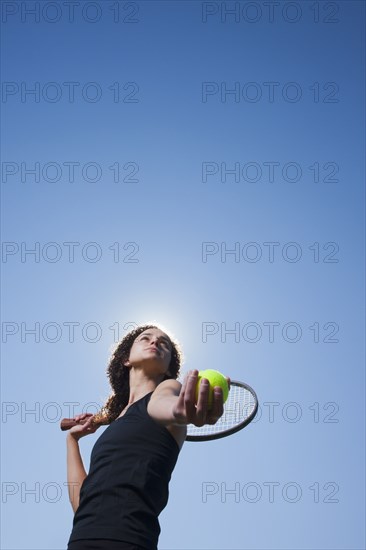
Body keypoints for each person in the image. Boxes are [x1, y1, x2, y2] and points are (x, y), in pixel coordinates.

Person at [66, 323, 229, 550]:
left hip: (131, 541)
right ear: (126, 359)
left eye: (164, 343)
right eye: (146, 338)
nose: (155, 342)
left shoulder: (167, 389)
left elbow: (165, 405)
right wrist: (72, 441)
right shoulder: (114, 427)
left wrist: (179, 410)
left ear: (169, 370)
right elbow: (82, 505)